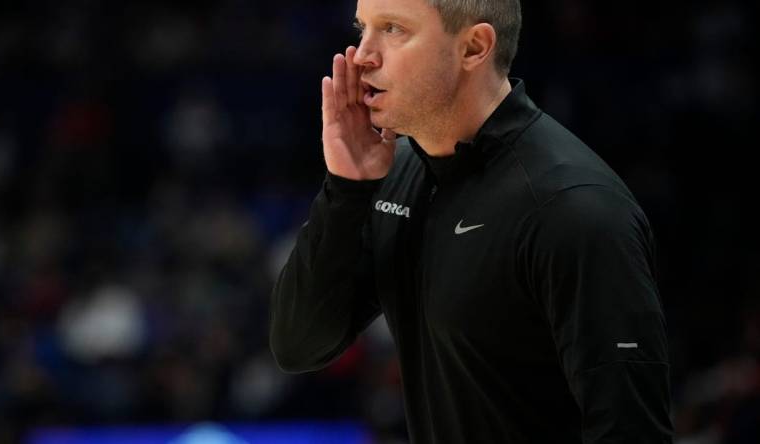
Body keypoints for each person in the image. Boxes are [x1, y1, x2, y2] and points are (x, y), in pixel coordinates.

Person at [269, 0, 674, 442]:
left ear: (474, 47)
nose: (363, 54)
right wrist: (347, 187)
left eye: (393, 29)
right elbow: (299, 347)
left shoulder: (575, 209)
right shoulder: (394, 173)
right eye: (362, 28)